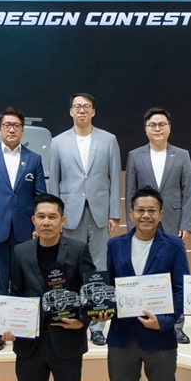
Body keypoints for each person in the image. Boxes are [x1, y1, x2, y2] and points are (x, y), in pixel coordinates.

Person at [97, 186, 189, 381]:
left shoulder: (173, 246)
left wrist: (164, 321)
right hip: (121, 339)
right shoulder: (115, 245)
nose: (146, 215)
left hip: (160, 340)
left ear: (161, 214)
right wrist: (102, 310)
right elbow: (108, 288)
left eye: (152, 210)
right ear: (131, 214)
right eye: (140, 210)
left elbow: (181, 290)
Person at [3, 193, 96, 381]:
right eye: (41, 216)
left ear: (62, 221)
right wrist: (9, 323)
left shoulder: (78, 250)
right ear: (33, 220)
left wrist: (82, 321)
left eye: (52, 217)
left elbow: (91, 291)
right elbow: (15, 293)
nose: (46, 222)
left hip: (66, 343)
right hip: (29, 346)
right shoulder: (20, 252)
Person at [47, 92, 122, 347]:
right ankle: (71, 315)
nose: (82, 111)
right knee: (70, 266)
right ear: (70, 111)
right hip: (69, 213)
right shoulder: (58, 142)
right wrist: (55, 216)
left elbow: (115, 178)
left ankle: (98, 324)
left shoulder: (108, 140)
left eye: (86, 107)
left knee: (99, 266)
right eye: (77, 107)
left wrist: (114, 214)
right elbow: (54, 182)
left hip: (100, 212)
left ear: (93, 111)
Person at [0, 106, 47, 349]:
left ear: (22, 130)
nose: (11, 129)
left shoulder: (34, 159)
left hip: (25, 229)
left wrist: (38, 225)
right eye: (7, 125)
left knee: (25, 279)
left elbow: (40, 196)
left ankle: (24, 327)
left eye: (16, 125)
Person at [124, 107, 191, 344]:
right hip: (143, 221)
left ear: (169, 128)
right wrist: (131, 223)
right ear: (145, 129)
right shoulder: (135, 155)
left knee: (177, 273)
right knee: (144, 270)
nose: (157, 129)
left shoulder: (181, 155)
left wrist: (186, 222)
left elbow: (188, 191)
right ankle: (144, 315)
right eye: (152, 125)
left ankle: (177, 324)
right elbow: (131, 192)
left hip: (174, 221)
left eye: (162, 124)